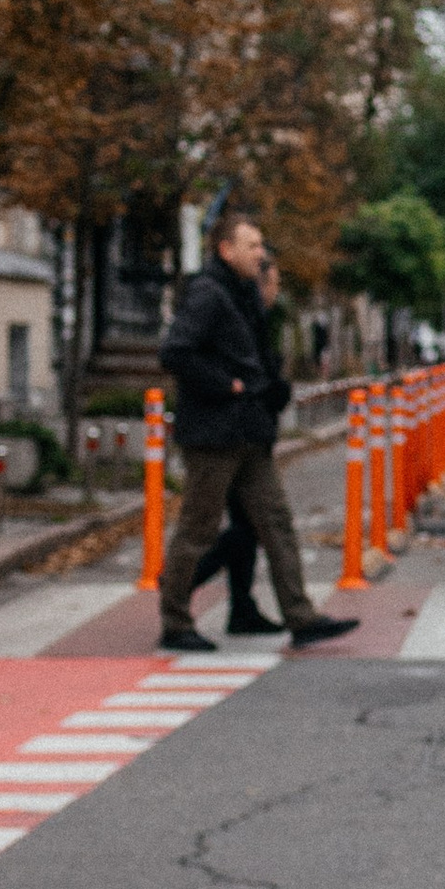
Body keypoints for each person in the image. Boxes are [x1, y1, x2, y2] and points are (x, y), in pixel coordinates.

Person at [157, 206, 357, 653]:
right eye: (252, 245)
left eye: (261, 245)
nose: (261, 254)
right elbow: (176, 353)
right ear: (225, 249)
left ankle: (301, 617)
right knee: (199, 526)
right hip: (214, 434)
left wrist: (271, 388)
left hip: (249, 432)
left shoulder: (244, 294)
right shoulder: (208, 293)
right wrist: (227, 385)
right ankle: (175, 619)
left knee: (277, 523)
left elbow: (252, 357)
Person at [189, 248, 293, 637]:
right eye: (275, 283)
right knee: (235, 526)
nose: (276, 291)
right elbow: (241, 374)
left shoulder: (256, 316)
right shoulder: (233, 311)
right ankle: (184, 580)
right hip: (228, 435)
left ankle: (241, 607)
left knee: (246, 526)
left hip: (246, 434)